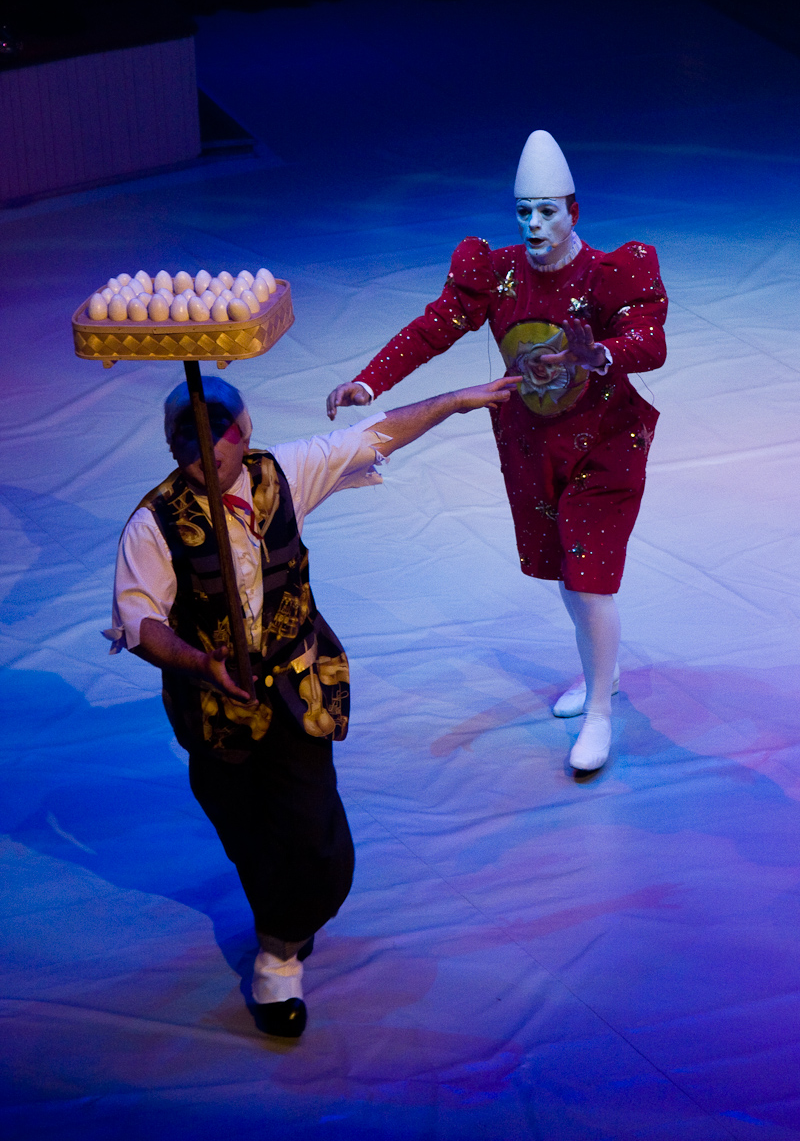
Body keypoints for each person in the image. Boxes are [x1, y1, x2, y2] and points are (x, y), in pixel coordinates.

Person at [105, 372, 518, 1038]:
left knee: (318, 846)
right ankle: (281, 924)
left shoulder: (283, 474)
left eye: (218, 433)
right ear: (169, 442)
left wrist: (453, 401)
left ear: (245, 432)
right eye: (187, 436)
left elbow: (374, 435)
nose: (204, 449)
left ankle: (278, 952)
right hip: (215, 711)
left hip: (295, 693)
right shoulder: (153, 523)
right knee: (246, 834)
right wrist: (200, 664)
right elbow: (140, 621)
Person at [327, 130, 668, 773]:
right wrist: (370, 382)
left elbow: (650, 343)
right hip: (533, 444)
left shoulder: (607, 274)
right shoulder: (499, 273)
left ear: (574, 212)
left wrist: (599, 352)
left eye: (547, 211)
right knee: (568, 572)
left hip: (605, 444)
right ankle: (604, 668)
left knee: (588, 575)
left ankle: (599, 710)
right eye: (524, 211)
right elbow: (432, 329)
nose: (534, 223)